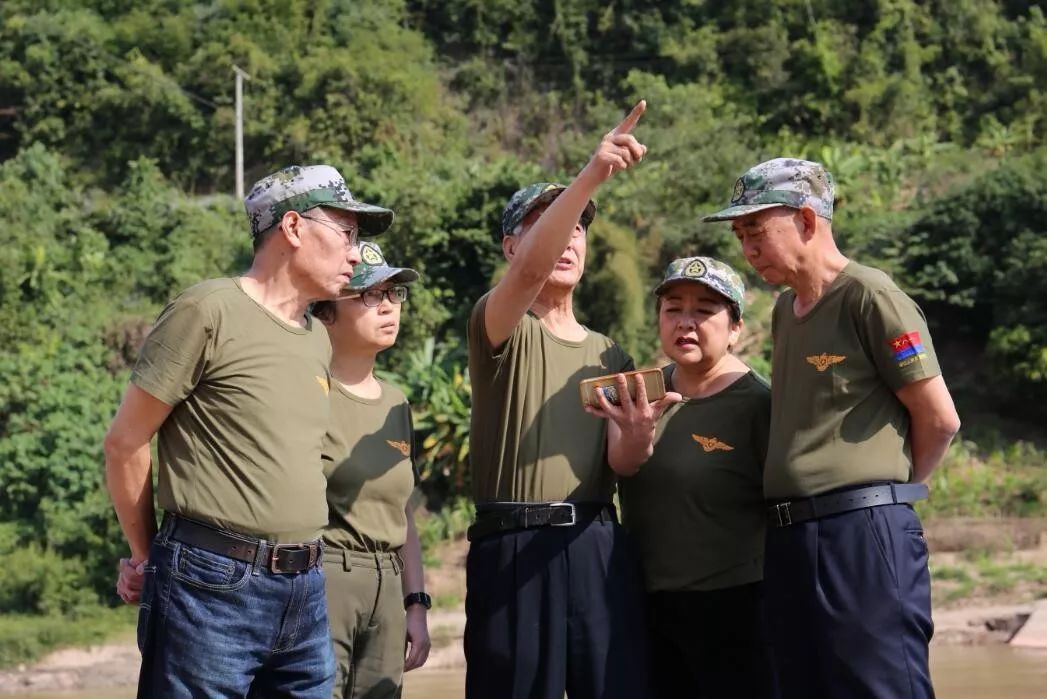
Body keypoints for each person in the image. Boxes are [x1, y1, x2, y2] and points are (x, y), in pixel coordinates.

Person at [104, 165, 393, 697]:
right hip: (209, 585)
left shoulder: (316, 339)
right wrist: (147, 558)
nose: (356, 253)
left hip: (306, 587)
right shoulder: (207, 310)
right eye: (347, 233)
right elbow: (125, 443)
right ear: (293, 227)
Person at [703, 158, 961, 698]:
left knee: (880, 684)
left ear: (805, 219)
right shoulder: (784, 312)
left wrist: (885, 497)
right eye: (739, 234)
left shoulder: (870, 296)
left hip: (862, 535)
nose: (746, 248)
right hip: (793, 537)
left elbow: (939, 419)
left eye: (756, 230)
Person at [463, 101, 665, 699]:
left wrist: (637, 434)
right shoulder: (500, 324)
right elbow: (527, 277)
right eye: (552, 223)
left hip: (596, 544)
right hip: (515, 547)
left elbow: (624, 466)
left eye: (579, 226)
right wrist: (591, 177)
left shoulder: (612, 354)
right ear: (511, 246)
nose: (570, 237)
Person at [590, 256, 776, 698]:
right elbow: (621, 468)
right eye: (673, 309)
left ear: (736, 328)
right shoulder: (639, 393)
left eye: (704, 310)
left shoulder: (759, 403)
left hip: (735, 606)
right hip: (644, 604)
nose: (685, 323)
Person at [311, 241, 431, 699]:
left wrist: (416, 604)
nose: (388, 307)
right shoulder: (308, 390)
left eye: (393, 294)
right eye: (368, 295)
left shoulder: (396, 402)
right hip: (325, 580)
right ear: (325, 314)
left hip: (389, 588)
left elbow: (404, 515)